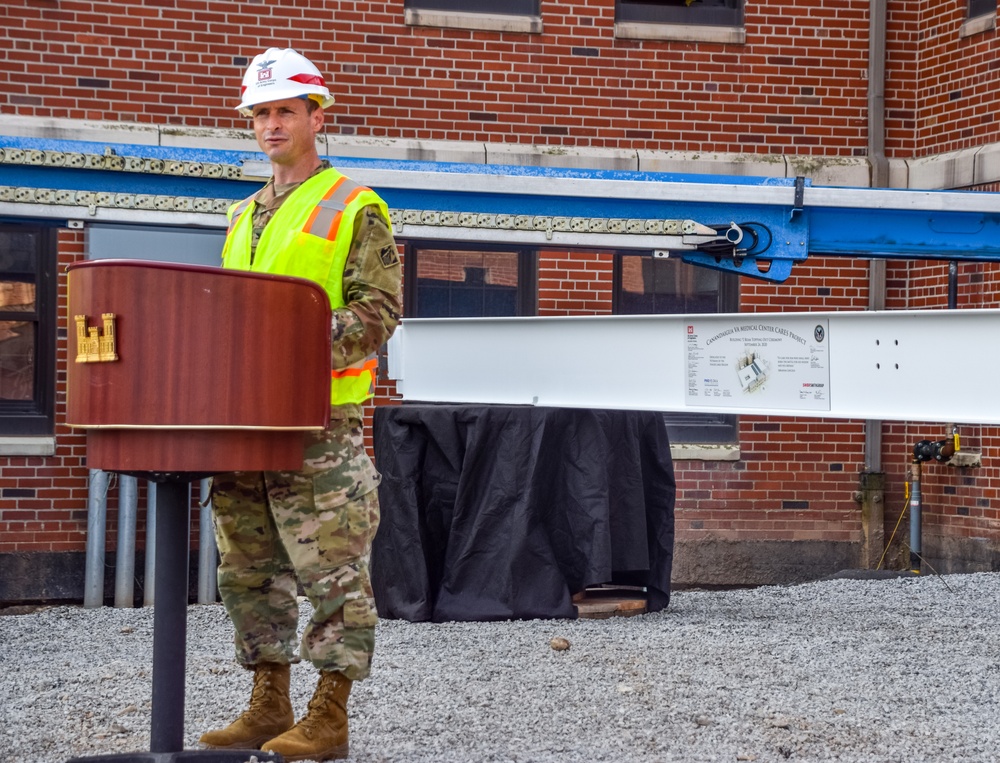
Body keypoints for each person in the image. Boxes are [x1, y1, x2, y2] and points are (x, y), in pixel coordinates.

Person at [198, 48, 402, 762]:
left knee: (333, 573)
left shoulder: (355, 206)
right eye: (260, 112)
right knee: (247, 567)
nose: (270, 123)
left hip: (321, 424)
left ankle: (329, 714)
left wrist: (288, 340)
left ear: (319, 115)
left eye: (284, 109)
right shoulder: (241, 215)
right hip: (246, 424)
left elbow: (378, 313)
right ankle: (268, 701)